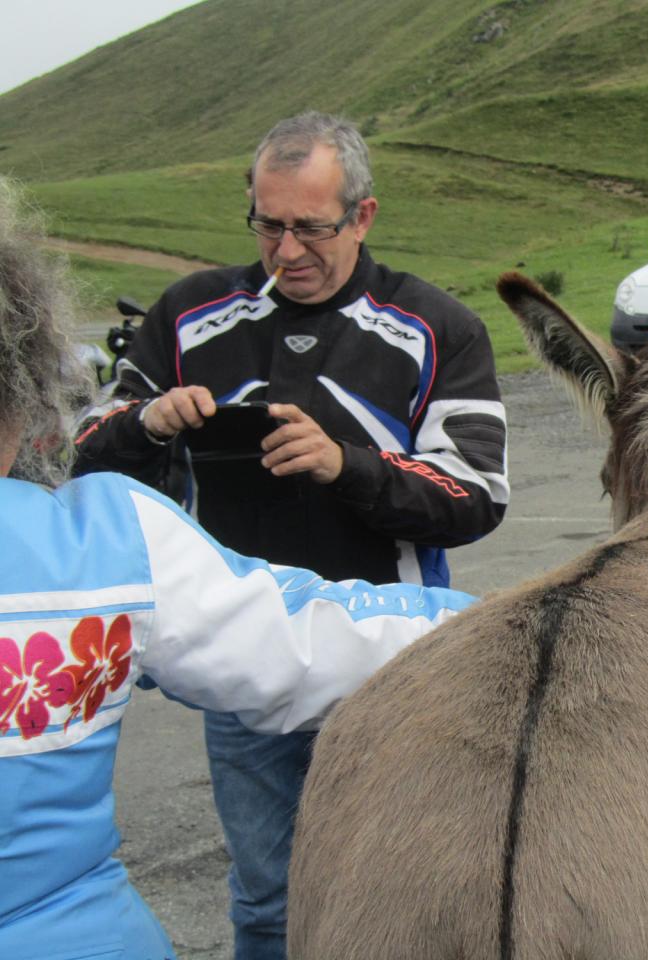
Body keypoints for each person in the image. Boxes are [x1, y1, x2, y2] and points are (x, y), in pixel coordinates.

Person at [0, 177, 475, 960]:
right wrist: (147, 423)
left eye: (310, 228)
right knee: (265, 900)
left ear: (362, 216)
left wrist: (347, 466)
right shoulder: (108, 540)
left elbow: (476, 495)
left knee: (409, 902)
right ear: (20, 391)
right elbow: (97, 433)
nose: (286, 249)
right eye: (267, 224)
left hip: (372, 680)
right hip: (270, 645)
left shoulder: (434, 325)